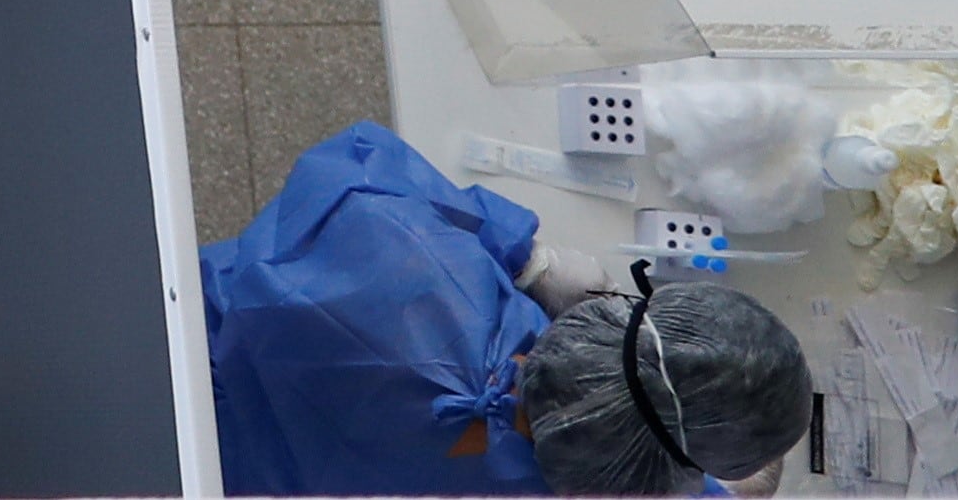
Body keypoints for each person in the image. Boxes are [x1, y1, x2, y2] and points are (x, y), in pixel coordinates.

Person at [204, 122, 813, 495]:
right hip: (193, 466)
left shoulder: (434, 277)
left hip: (161, 337)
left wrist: (523, 257)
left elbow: (352, 169)